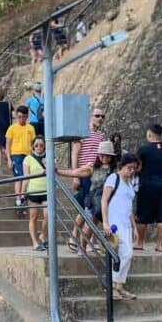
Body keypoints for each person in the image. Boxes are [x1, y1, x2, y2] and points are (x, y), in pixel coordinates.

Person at [57, 141, 118, 254]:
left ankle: (110, 251)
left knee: (108, 228)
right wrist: (58, 171)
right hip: (93, 200)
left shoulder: (115, 170)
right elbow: (75, 172)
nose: (104, 157)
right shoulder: (92, 167)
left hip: (108, 202)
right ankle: (82, 248)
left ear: (111, 156)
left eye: (107, 155)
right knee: (89, 226)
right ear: (98, 155)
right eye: (102, 155)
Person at [102, 154, 139, 300]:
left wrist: (134, 227)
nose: (131, 171)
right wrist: (106, 223)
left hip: (126, 224)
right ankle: (112, 284)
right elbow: (104, 200)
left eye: (133, 169)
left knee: (127, 255)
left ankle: (119, 285)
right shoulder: (113, 178)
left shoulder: (130, 183)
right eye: (129, 168)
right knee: (126, 253)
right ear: (120, 167)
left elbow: (129, 208)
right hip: (115, 223)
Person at [69, 108, 106, 250]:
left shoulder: (101, 136)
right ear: (91, 116)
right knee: (87, 207)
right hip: (85, 174)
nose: (100, 118)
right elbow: (75, 154)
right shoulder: (82, 132)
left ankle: (87, 238)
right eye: (97, 116)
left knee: (92, 207)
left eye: (102, 116)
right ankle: (75, 235)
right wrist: (76, 175)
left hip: (97, 175)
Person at [135, 124, 162, 252]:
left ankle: (139, 243)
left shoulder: (143, 149)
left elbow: (138, 167)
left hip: (146, 183)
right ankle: (160, 245)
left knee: (142, 215)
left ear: (149, 134)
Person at [5, 106, 36, 208]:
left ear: (27, 116)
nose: (21, 119)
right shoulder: (12, 128)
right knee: (19, 177)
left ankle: (23, 197)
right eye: (19, 117)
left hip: (27, 155)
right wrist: (9, 159)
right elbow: (8, 145)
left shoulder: (30, 128)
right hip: (16, 155)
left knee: (26, 177)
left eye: (23, 117)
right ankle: (18, 200)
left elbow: (33, 144)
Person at [22, 137, 48, 251]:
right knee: (33, 217)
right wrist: (22, 194)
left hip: (46, 190)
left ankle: (43, 235)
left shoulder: (49, 157)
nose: (39, 147)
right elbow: (26, 177)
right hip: (33, 191)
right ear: (33, 146)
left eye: (41, 145)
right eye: (36, 145)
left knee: (48, 216)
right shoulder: (28, 159)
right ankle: (35, 243)